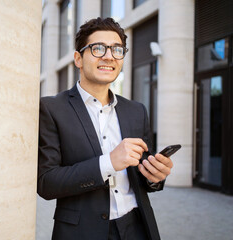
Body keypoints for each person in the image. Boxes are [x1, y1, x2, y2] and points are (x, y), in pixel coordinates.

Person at [37, 17, 173, 240]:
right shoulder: (52, 108)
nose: (109, 56)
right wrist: (109, 162)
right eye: (98, 48)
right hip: (82, 232)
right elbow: (46, 183)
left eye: (117, 49)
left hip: (137, 227)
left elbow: (143, 181)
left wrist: (155, 176)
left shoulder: (136, 110)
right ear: (78, 59)